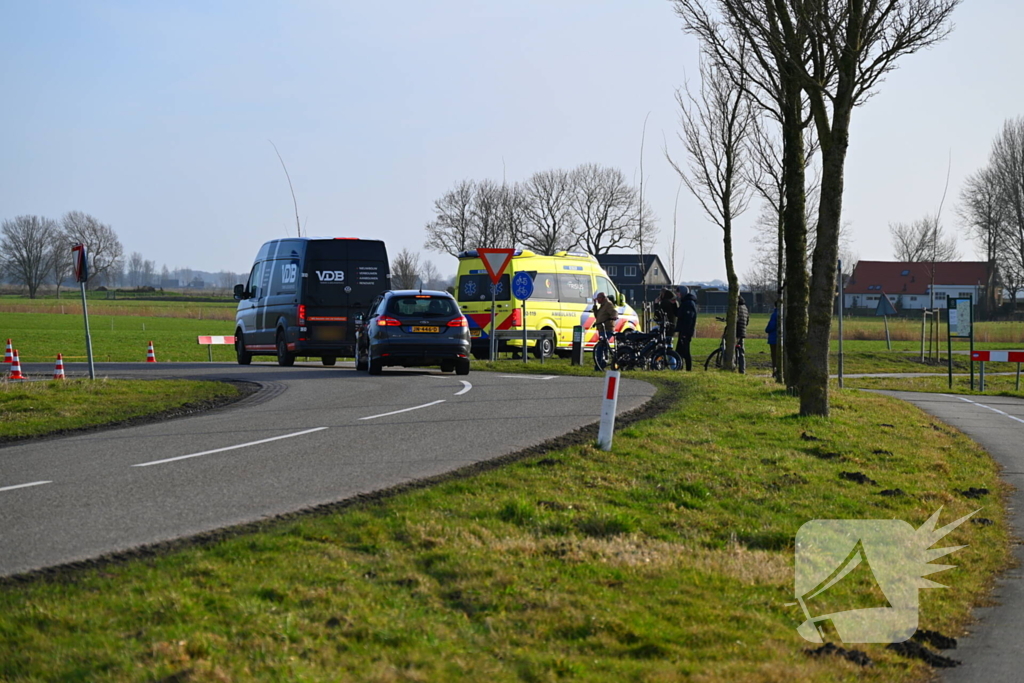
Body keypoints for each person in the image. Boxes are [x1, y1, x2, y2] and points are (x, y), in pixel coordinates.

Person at [592, 291, 618, 370]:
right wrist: (595, 306)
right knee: (603, 346)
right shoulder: (602, 305)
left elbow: (614, 312)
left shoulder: (608, 304)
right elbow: (597, 315)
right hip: (601, 328)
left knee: (602, 347)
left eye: (598, 298)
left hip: (607, 328)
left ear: (602, 298)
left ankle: (601, 364)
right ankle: (602, 363)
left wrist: (614, 317)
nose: (597, 300)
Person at [675, 285, 698, 371]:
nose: (678, 295)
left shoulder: (688, 304)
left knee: (685, 351)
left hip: (686, 332)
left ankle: (688, 369)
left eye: (678, 293)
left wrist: (685, 333)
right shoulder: (685, 302)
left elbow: (688, 320)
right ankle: (679, 368)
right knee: (679, 351)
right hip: (683, 331)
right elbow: (678, 314)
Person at [766, 299, 781, 381]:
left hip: (774, 338)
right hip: (781, 339)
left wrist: (767, 330)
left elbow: (771, 326)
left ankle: (775, 372)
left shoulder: (775, 314)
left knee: (774, 356)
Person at [736, 295, 750, 374]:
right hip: (743, 332)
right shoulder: (745, 308)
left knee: (732, 348)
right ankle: (742, 369)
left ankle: (732, 364)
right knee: (741, 351)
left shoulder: (736, 308)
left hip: (736, 331)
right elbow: (747, 320)